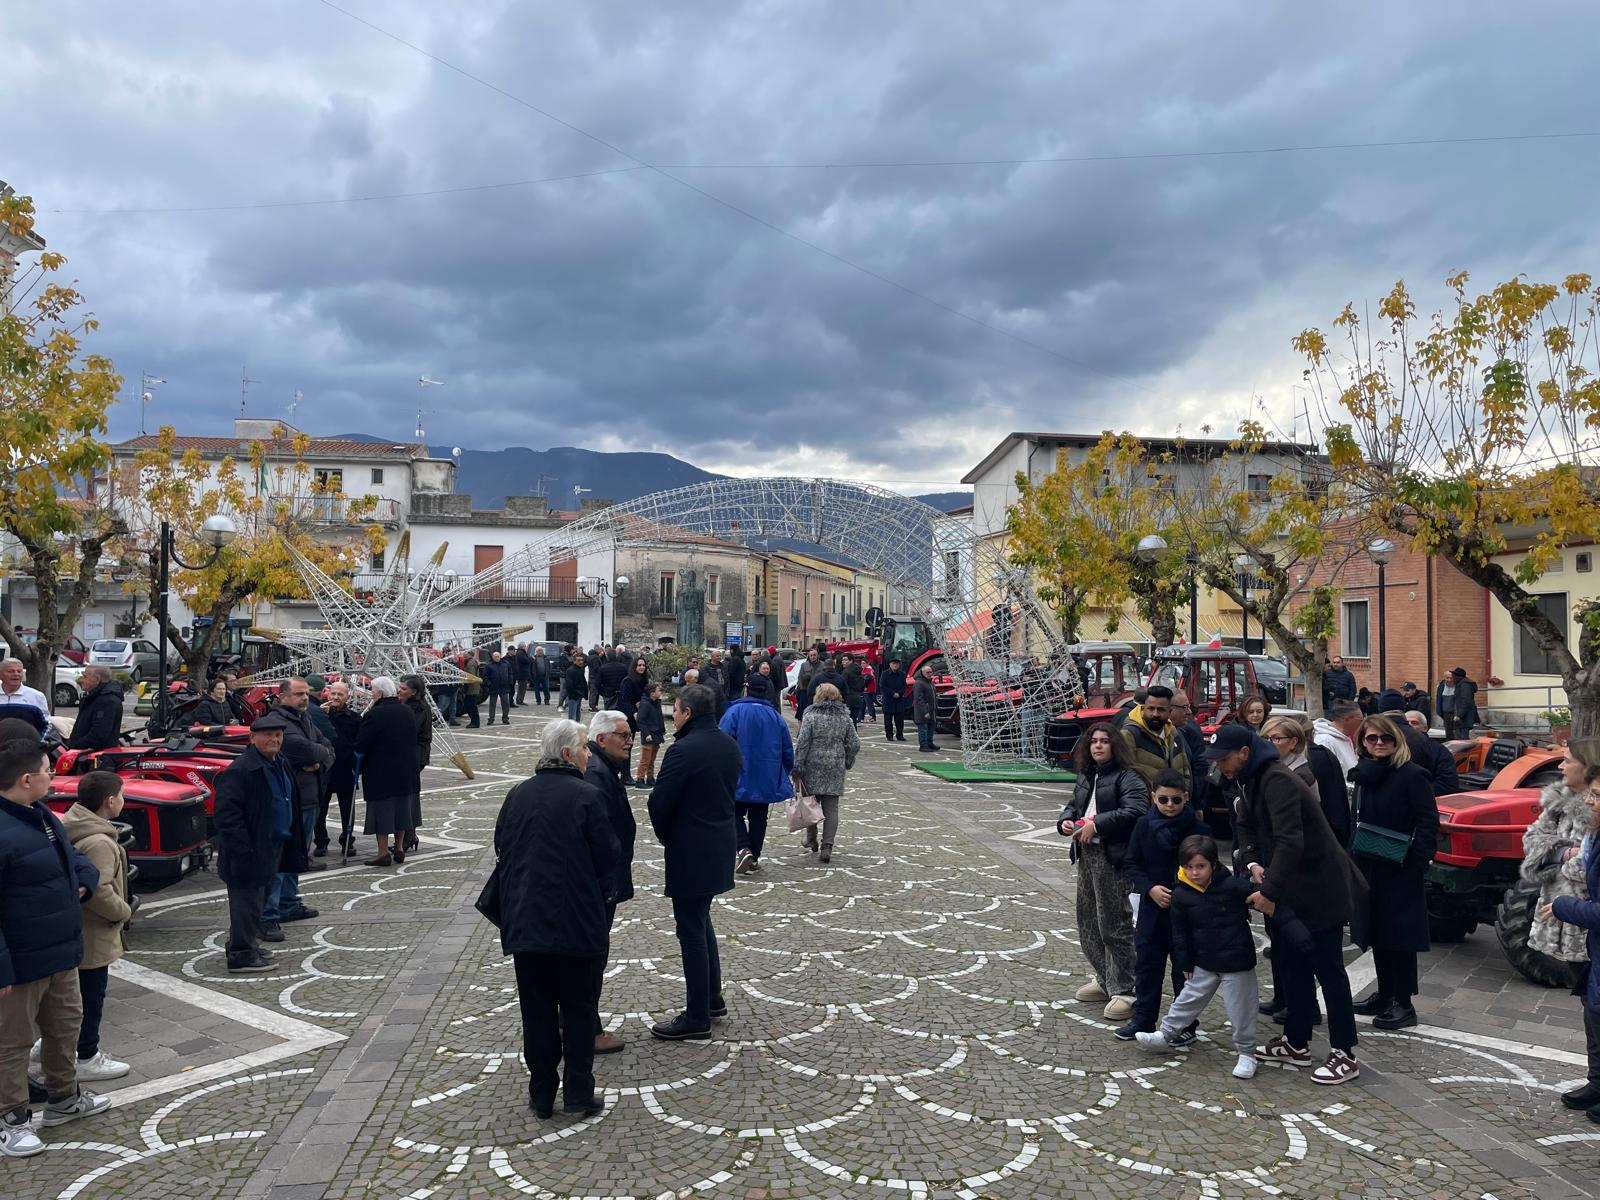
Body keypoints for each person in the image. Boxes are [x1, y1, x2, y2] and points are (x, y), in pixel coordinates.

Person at [1211, 724, 1363, 1085]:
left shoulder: (1276, 779)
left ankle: (1345, 1053)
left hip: (1319, 888)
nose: (1219, 766)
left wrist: (1269, 890)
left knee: (1328, 969)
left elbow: (1290, 840)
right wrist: (1252, 862)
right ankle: (1296, 1042)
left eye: (1223, 758)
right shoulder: (1249, 777)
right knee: (1290, 963)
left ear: (1244, 753)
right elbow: (1245, 824)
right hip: (1289, 887)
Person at [494, 718, 617, 1118]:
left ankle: (542, 1093)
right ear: (567, 754)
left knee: (537, 1011)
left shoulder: (518, 794)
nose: (588, 754)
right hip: (577, 921)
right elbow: (608, 856)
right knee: (579, 1009)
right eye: (583, 747)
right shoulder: (587, 796)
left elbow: (501, 845)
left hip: (526, 920)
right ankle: (578, 1091)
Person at [0, 738, 109, 1158]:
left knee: (65, 1026)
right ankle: (11, 1119)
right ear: (27, 779)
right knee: (12, 1042)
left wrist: (85, 880)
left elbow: (74, 860)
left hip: (60, 951)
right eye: (48, 770)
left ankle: (64, 1097)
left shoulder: (42, 815)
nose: (53, 776)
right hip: (20, 961)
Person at [647, 684, 742, 1040]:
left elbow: (659, 802)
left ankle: (697, 1016)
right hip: (720, 842)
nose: (673, 716)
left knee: (690, 929)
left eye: (675, 710)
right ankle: (712, 998)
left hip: (691, 847)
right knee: (701, 920)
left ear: (687, 713)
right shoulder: (728, 744)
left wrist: (665, 834)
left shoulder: (683, 750)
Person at [1135, 834, 1262, 1080]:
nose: (1194, 872)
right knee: (1186, 1000)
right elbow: (1180, 933)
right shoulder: (1181, 894)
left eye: (1200, 866)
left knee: (1241, 1009)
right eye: (1189, 866)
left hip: (1236, 962)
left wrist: (1258, 895)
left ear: (1213, 864)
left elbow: (1257, 895)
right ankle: (1165, 1035)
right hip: (1203, 961)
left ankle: (1247, 1053)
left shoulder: (1232, 886)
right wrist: (1184, 962)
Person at [1347, 714, 1440, 1031]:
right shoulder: (1363, 774)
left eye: (1385, 738)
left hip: (1400, 867)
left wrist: (1417, 864)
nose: (1379, 743)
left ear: (1396, 741)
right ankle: (1385, 994)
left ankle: (1403, 1002)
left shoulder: (1412, 775)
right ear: (1362, 742)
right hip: (1367, 864)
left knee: (1400, 936)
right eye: (1372, 738)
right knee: (1376, 931)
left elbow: (1428, 823)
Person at [1256, 715, 1349, 1023]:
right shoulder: (1272, 772)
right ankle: (1287, 999)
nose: (1269, 744)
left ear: (1294, 742)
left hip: (1309, 874)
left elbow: (1297, 832)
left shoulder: (1300, 773)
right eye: (1265, 739)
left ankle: (1306, 1009)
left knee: (1312, 950)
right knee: (1282, 941)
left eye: (1275, 739)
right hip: (1283, 868)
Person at [1057, 722, 1149, 1023]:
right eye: (1093, 741)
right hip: (1087, 855)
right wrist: (1066, 821)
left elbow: (1136, 811)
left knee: (1114, 923)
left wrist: (1097, 824)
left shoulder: (1128, 776)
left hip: (1114, 857)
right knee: (1088, 920)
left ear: (1115, 745)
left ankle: (1126, 988)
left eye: (1104, 741)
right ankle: (1105, 977)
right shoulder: (1088, 774)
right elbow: (1074, 805)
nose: (1098, 746)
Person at [58, 771, 134, 1082]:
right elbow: (99, 890)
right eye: (122, 795)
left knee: (74, 995)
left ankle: (57, 1045)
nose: (124, 800)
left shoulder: (74, 825)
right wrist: (123, 911)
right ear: (110, 801)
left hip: (79, 929)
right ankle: (86, 1054)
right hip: (93, 932)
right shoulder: (99, 842)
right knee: (91, 995)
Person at [1120, 768, 1206, 1041]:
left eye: (1176, 800)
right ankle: (1143, 1019)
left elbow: (1206, 868)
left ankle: (1185, 1025)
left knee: (1184, 970)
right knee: (1147, 965)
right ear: (1153, 797)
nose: (1170, 805)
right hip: (1152, 907)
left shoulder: (1197, 829)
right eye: (1163, 799)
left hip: (1186, 911)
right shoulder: (1144, 825)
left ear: (1186, 798)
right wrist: (1150, 889)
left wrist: (1183, 892)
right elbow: (1132, 862)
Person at [212, 711, 300, 974]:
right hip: (249, 849)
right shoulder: (241, 770)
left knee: (257, 902)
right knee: (246, 903)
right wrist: (244, 849)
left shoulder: (279, 762)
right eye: (268, 735)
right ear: (252, 738)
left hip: (273, 844)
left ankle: (244, 944)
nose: (275, 739)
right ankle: (241, 955)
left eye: (278, 735)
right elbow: (226, 815)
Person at [1539, 763, 1600, 1122]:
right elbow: (1535, 847)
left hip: (1584, 921)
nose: (1590, 801)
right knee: (1593, 1009)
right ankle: (1597, 1083)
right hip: (1589, 937)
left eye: (1597, 796)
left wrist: (1565, 905)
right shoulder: (1592, 829)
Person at [260, 678, 332, 943]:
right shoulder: (277, 722)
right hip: (287, 799)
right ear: (283, 696)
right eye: (299, 694)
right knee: (279, 858)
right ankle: (269, 913)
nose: (304, 698)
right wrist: (316, 756)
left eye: (306, 694)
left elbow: (328, 746)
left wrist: (319, 760)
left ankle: (289, 903)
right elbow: (301, 749)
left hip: (309, 796)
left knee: (298, 855)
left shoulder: (306, 718)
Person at [1521, 742, 1600, 980]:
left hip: (1585, 922)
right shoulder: (1557, 801)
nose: (1560, 766)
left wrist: (1554, 856)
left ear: (1587, 766)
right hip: (1556, 916)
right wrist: (1565, 854)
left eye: (1567, 761)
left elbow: (1589, 866)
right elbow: (1530, 841)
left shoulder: (1596, 809)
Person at [583, 712, 637, 1055]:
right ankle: (586, 1029)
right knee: (591, 957)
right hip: (597, 883)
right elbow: (597, 835)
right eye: (623, 735)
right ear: (601, 739)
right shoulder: (596, 773)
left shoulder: (604, 767)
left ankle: (577, 1023)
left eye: (630, 734)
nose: (630, 740)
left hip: (603, 880)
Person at [720, 676, 794, 875]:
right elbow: (787, 749)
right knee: (759, 816)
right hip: (765, 775)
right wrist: (784, 771)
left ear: (746, 689)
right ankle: (753, 855)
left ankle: (743, 848)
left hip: (738, 773)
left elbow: (722, 742)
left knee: (733, 812)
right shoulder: (775, 716)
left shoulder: (734, 712)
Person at [792, 681, 860, 862]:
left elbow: (803, 743)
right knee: (831, 809)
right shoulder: (845, 718)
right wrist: (847, 760)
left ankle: (811, 837)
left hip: (812, 765)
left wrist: (798, 766)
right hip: (835, 767)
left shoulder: (810, 716)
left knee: (810, 804)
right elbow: (855, 743)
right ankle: (827, 846)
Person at [355, 677, 420, 866]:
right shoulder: (406, 710)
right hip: (405, 770)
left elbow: (362, 743)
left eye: (373, 690)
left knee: (381, 811)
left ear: (380, 693)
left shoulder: (375, 714)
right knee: (401, 809)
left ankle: (383, 852)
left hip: (381, 771)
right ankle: (399, 848)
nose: (371, 694)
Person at [1376, 692, 1460, 797]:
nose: (1410, 726)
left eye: (1414, 723)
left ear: (1425, 728)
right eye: (1407, 723)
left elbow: (1448, 784)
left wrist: (1418, 793)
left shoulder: (1437, 749)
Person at [316, 681, 361, 858]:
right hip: (324, 768)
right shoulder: (320, 715)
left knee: (347, 809)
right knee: (320, 808)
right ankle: (321, 842)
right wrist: (320, 714)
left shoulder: (355, 718)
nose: (335, 697)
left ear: (347, 697)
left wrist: (357, 766)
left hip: (346, 769)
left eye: (340, 694)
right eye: (333, 693)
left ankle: (347, 841)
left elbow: (360, 743)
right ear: (327, 694)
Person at [1118, 685, 1191, 792]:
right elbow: (1124, 777)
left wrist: (1184, 794)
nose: (1155, 714)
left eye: (1161, 709)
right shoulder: (1129, 735)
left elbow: (1185, 769)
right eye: (1151, 708)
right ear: (1144, 708)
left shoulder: (1172, 732)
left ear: (1170, 711)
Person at [397, 675, 432, 854]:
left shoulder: (419, 708)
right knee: (406, 794)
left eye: (403, 689)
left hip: (415, 755)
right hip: (410, 754)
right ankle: (409, 835)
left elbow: (410, 729)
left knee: (409, 795)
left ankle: (409, 836)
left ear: (414, 691)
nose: (399, 691)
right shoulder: (407, 706)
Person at [66, 667, 124, 751]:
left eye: (85, 677)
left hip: (95, 754)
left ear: (97, 679)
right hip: (84, 752)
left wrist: (76, 746)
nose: (81, 680)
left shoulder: (107, 701)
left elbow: (99, 734)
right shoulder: (93, 697)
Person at [615, 657, 651, 781]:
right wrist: (633, 712)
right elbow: (624, 700)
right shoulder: (628, 681)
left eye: (643, 665)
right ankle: (624, 775)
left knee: (630, 745)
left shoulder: (644, 680)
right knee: (626, 746)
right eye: (639, 665)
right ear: (634, 666)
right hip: (627, 717)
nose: (641, 667)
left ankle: (626, 774)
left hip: (637, 717)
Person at [0, 660, 49, 735]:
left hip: (27, 741)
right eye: (11, 671)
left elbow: (46, 724)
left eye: (19, 671)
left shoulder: (37, 696)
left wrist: (38, 740)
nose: (16, 674)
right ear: (1, 674)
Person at [1313, 701, 1361, 775]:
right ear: (1347, 720)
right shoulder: (1324, 741)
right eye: (1360, 720)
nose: (1362, 724)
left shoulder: (1344, 738)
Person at [636, 682, 667, 786]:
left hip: (657, 734)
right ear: (652, 693)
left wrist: (662, 729)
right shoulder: (645, 704)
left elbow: (660, 717)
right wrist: (646, 734)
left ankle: (650, 778)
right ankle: (640, 779)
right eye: (658, 691)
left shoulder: (657, 702)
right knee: (645, 759)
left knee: (652, 759)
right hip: (649, 735)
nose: (660, 692)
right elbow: (640, 720)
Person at [878, 657, 909, 743]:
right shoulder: (885, 674)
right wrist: (892, 693)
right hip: (888, 700)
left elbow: (904, 685)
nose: (895, 665)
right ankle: (889, 735)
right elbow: (882, 686)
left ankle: (900, 735)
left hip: (899, 700)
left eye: (897, 664)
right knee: (888, 720)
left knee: (900, 720)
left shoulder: (902, 674)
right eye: (893, 664)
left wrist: (899, 693)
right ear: (890, 665)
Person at [1444, 667, 1480, 738]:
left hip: (1465, 718)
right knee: (1460, 736)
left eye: (1454, 676)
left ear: (1458, 677)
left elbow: (1466, 701)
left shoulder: (1464, 685)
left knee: (1464, 738)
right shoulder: (1460, 684)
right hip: (1463, 718)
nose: (1452, 678)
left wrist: (1459, 715)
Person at [912, 663, 939, 752]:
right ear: (922, 673)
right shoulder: (919, 683)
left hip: (931, 710)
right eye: (928, 672)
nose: (930, 674)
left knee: (931, 728)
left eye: (931, 672)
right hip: (923, 711)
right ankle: (923, 745)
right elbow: (918, 699)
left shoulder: (930, 682)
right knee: (923, 729)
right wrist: (925, 711)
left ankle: (929, 743)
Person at [483, 651, 513, 726]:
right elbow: (485, 676)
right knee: (492, 704)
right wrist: (489, 684)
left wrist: (510, 682)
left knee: (505, 703)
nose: (497, 658)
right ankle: (491, 719)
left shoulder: (505, 664)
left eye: (498, 656)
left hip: (504, 687)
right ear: (492, 657)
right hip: (493, 688)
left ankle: (505, 718)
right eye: (495, 657)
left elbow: (510, 673)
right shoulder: (489, 665)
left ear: (500, 656)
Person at [795, 648, 821, 722]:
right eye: (811, 655)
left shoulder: (822, 665)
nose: (813, 657)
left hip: (818, 692)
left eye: (814, 655)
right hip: (806, 691)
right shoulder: (804, 665)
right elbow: (800, 678)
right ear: (809, 656)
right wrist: (802, 689)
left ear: (817, 655)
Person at [841, 653, 866, 726]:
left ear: (851, 660)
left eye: (845, 660)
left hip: (848, 698)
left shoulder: (846, 672)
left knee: (846, 722)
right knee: (853, 721)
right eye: (842, 660)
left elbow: (842, 685)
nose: (843, 662)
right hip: (857, 697)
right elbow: (862, 685)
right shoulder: (859, 670)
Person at [563, 653, 589, 723]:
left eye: (582, 660)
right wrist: (577, 693)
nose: (581, 662)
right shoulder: (570, 670)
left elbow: (583, 682)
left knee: (577, 714)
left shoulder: (580, 669)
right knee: (572, 716)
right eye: (578, 660)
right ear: (574, 661)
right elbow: (569, 685)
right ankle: (572, 728)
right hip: (573, 696)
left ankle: (577, 727)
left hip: (579, 695)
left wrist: (585, 693)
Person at [513, 643, 533, 708]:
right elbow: (526, 661)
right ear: (522, 647)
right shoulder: (520, 653)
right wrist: (531, 659)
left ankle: (519, 700)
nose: (526, 648)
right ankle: (520, 700)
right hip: (522, 674)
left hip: (522, 673)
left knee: (521, 688)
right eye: (525, 646)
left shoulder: (520, 652)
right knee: (522, 688)